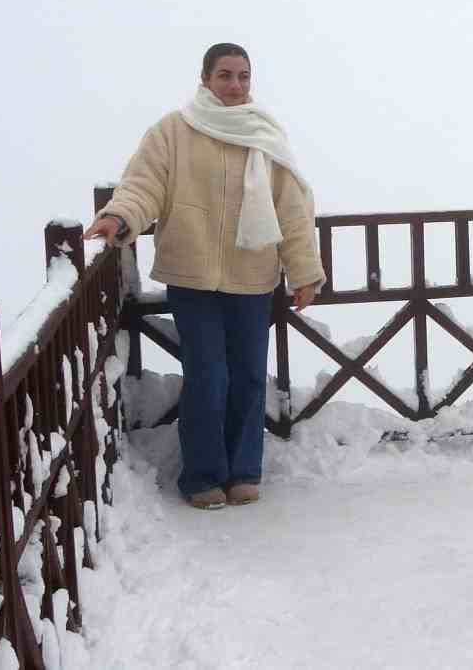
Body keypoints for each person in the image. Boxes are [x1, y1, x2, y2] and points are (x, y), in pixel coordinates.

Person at [86, 43, 325, 510]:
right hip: (192, 278)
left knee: (250, 378)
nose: (235, 85)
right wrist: (119, 216)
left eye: (243, 76)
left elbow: (292, 210)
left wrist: (303, 271)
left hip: (253, 278)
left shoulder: (264, 135)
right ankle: (202, 476)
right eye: (225, 75)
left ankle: (244, 471)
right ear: (205, 80)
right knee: (208, 377)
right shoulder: (174, 131)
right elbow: (144, 185)